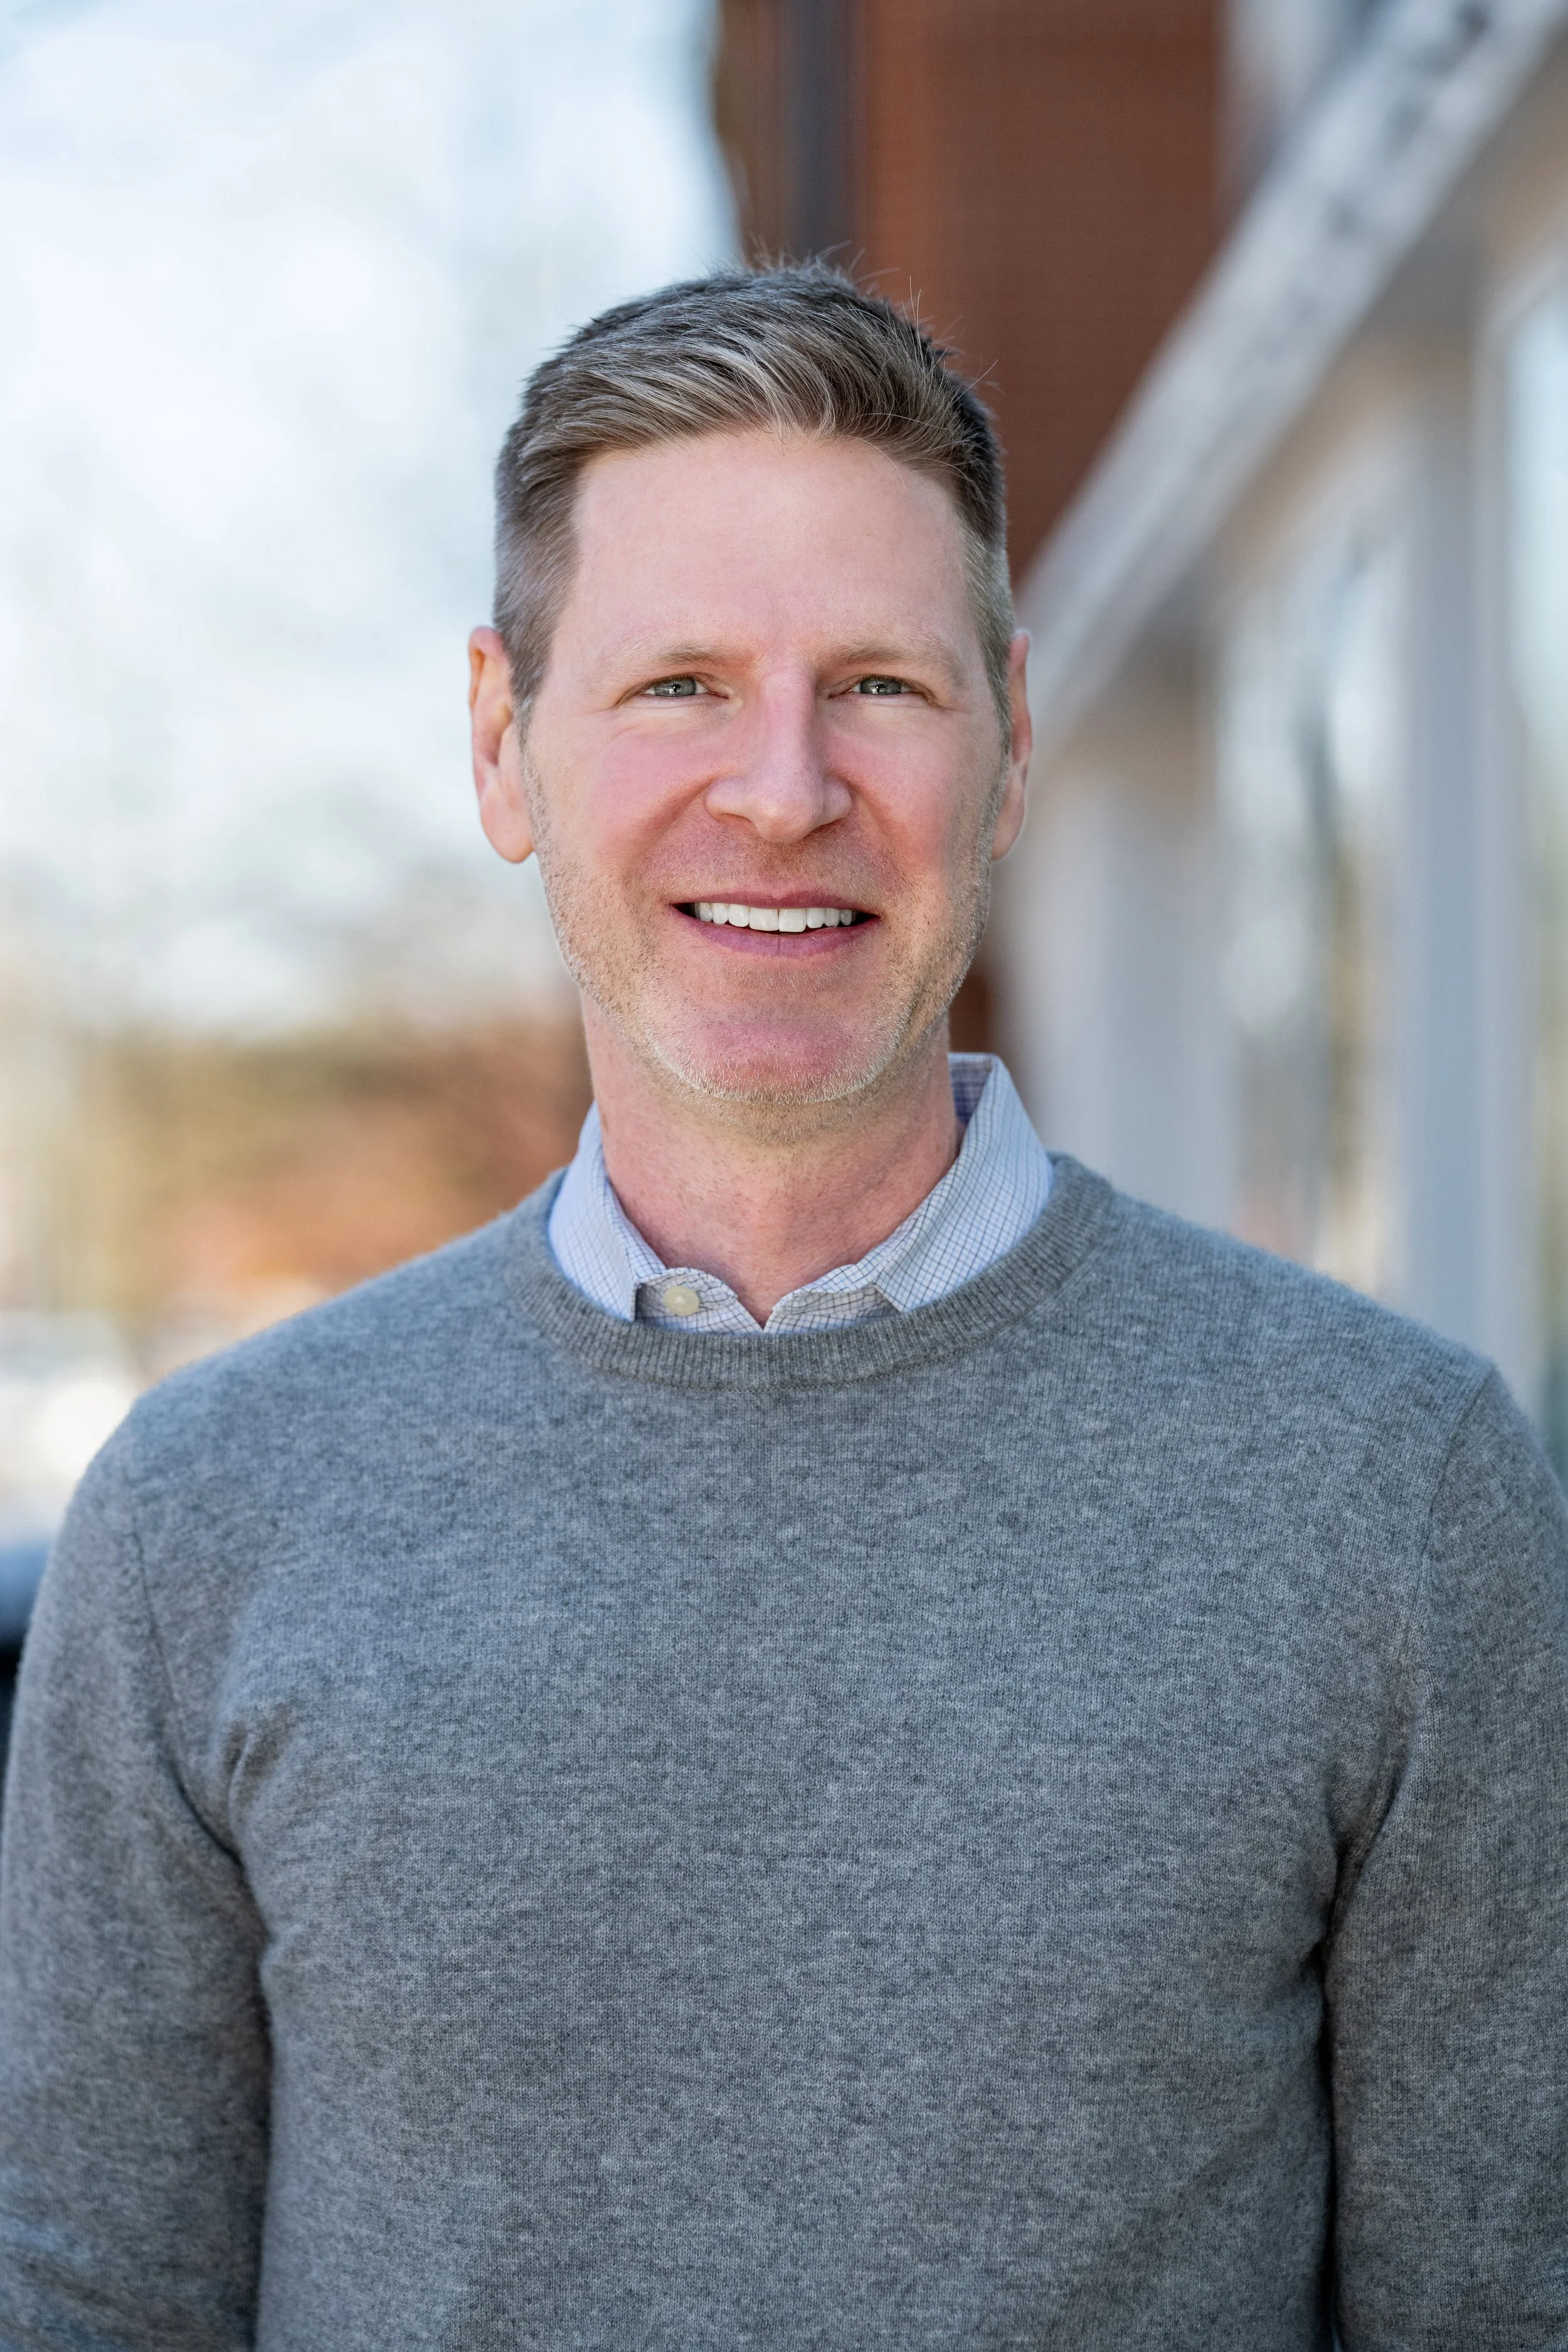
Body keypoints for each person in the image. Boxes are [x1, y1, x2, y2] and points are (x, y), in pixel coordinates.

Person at [1, 264, 1564, 2351]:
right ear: (500, 743)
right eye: (675, 687)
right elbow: (82, 2289)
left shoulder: (1395, 1489)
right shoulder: (209, 1510)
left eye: (880, 689)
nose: (780, 788)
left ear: (1004, 749)